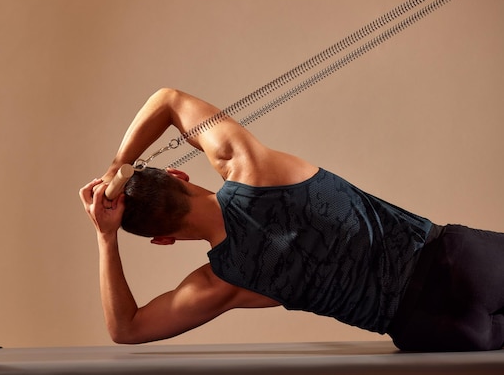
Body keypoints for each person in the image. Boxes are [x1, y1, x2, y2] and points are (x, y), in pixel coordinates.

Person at [79, 88, 504, 352]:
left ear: (163, 240)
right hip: (464, 263)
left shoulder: (223, 283)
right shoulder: (251, 168)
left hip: (433, 328)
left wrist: (106, 237)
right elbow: (168, 100)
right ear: (178, 174)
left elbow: (126, 329)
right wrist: (121, 163)